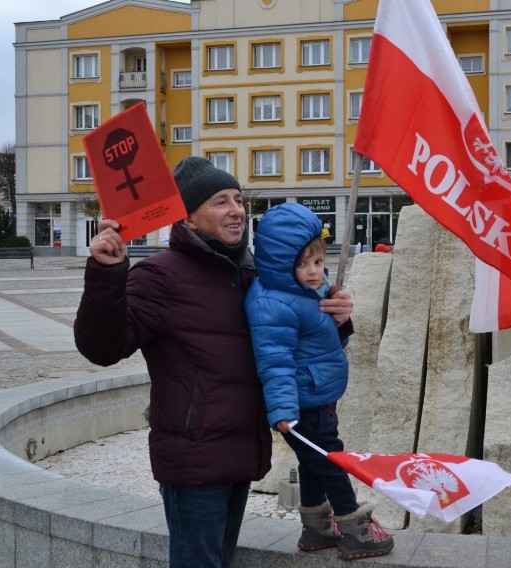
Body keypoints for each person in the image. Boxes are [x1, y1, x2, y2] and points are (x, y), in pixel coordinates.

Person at [74, 157, 355, 568]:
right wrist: (106, 273)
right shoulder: (160, 277)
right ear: (187, 217)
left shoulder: (254, 274)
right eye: (220, 201)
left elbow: (295, 341)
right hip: (194, 460)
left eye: (239, 200)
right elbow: (102, 347)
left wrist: (339, 320)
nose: (236, 210)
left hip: (240, 453)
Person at [245, 202, 394, 561]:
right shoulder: (272, 303)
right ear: (281, 263)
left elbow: (322, 342)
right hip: (303, 403)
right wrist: (282, 409)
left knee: (313, 462)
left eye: (317, 261)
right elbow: (274, 362)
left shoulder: (306, 293)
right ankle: (355, 528)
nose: (314, 272)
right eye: (302, 264)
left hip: (316, 394)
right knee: (331, 461)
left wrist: (339, 322)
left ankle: (316, 527)